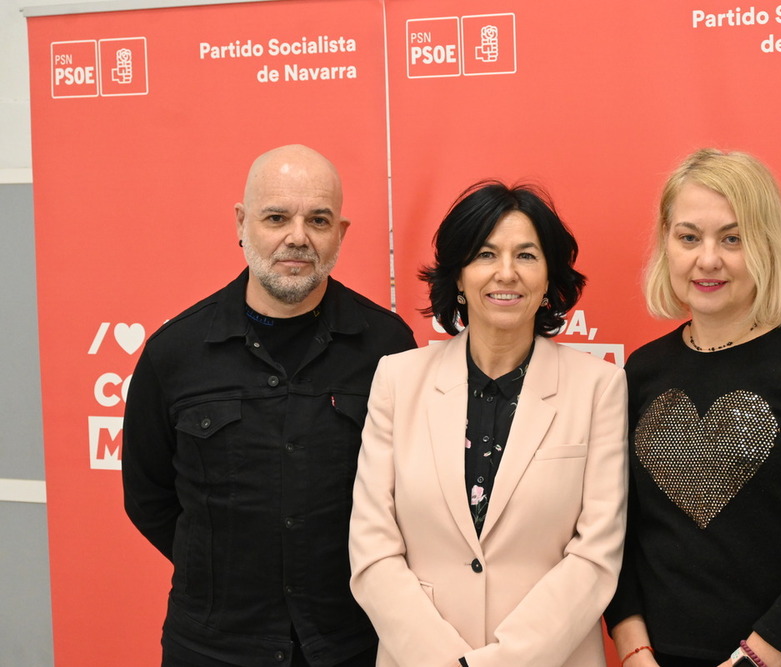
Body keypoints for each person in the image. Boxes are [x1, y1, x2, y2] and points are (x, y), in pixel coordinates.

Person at [122, 144, 416, 667]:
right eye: (276, 217)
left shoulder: (387, 346)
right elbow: (148, 497)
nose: (297, 237)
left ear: (341, 233)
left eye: (318, 220)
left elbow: (414, 491)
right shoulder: (175, 353)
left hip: (352, 644)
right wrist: (224, 567)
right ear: (242, 222)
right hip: (213, 646)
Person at [604, 149, 781, 667]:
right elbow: (615, 530)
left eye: (732, 239)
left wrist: (756, 658)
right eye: (688, 237)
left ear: (767, 245)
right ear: (666, 244)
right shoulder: (642, 373)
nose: (707, 259)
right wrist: (633, 647)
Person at [349, 180, 628, 667]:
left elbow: (595, 557)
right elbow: (372, 550)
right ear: (458, 277)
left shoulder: (598, 388)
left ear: (548, 279)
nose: (506, 273)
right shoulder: (398, 380)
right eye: (484, 254)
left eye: (526, 255)